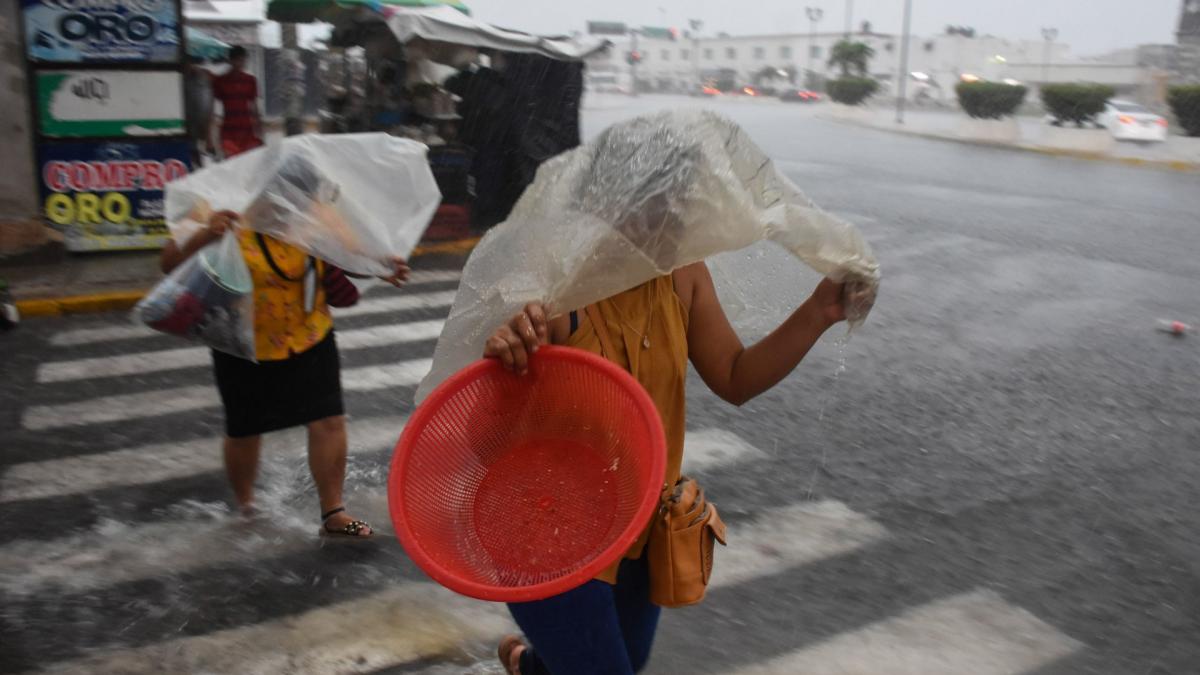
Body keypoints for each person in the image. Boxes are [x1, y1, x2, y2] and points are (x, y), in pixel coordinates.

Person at [483, 126, 872, 674]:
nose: (671, 220)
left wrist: (818, 313)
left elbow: (734, 376)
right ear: (606, 202)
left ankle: (528, 665)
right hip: (547, 537)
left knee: (619, 664)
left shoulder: (683, 277)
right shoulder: (552, 290)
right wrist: (503, 346)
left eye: (680, 203)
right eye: (653, 204)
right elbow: (487, 416)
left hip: (640, 528)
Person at [160, 209, 409, 537]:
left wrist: (381, 266)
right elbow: (168, 263)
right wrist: (206, 233)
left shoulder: (313, 210)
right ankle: (247, 506)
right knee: (245, 429)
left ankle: (334, 512)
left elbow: (346, 249)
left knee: (328, 420)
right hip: (244, 342)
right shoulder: (217, 207)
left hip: (310, 333)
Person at [210, 46, 263, 159]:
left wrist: (260, 132)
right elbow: (213, 108)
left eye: (243, 60)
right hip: (228, 131)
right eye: (238, 60)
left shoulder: (250, 80)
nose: (241, 63)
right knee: (231, 165)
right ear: (230, 60)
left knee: (247, 165)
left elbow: (254, 106)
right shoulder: (220, 81)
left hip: (247, 131)